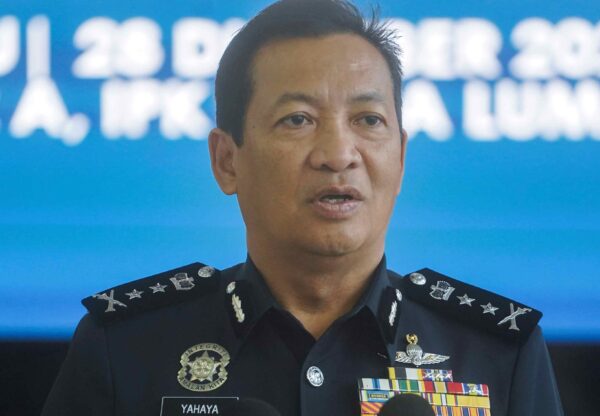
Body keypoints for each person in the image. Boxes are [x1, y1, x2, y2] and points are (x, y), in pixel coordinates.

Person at [42, 1, 563, 415]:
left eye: (368, 120)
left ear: (401, 157)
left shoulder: (498, 354)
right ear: (227, 160)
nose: (338, 154)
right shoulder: (124, 349)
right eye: (297, 119)